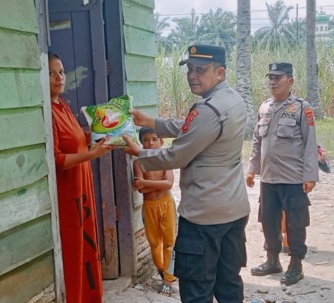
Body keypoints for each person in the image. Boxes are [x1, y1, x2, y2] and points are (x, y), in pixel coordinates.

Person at [122, 44, 250, 303]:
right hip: (233, 210)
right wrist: (151, 123)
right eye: (190, 69)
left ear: (220, 73)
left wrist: (140, 153)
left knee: (196, 291)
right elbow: (193, 128)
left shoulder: (208, 109)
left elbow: (176, 155)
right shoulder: (233, 100)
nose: (192, 75)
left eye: (201, 70)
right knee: (228, 284)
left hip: (204, 216)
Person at [49, 52, 114, 303]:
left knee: (88, 245)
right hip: (68, 194)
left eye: (62, 71)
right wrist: (92, 154)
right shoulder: (48, 113)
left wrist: (99, 135)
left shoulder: (62, 105)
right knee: (74, 249)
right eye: (52, 73)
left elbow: (76, 140)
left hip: (82, 186)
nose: (59, 78)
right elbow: (56, 159)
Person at [246, 62, 319, 286]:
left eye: (278, 77)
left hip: (293, 179)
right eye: (270, 77)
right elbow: (257, 141)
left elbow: (310, 143)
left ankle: (296, 264)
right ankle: (272, 260)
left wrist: (310, 175)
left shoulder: (301, 107)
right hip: (268, 178)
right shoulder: (265, 107)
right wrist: (251, 168)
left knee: (296, 222)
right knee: (268, 220)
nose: (273, 82)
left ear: (290, 81)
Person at [132, 127, 177, 296]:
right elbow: (141, 190)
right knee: (153, 242)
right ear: (140, 143)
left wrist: (145, 182)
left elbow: (169, 184)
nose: (150, 143)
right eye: (145, 140)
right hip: (149, 206)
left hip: (166, 204)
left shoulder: (166, 161)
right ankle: (162, 269)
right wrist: (145, 184)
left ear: (161, 142)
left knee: (170, 241)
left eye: (154, 139)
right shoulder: (138, 163)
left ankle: (168, 279)